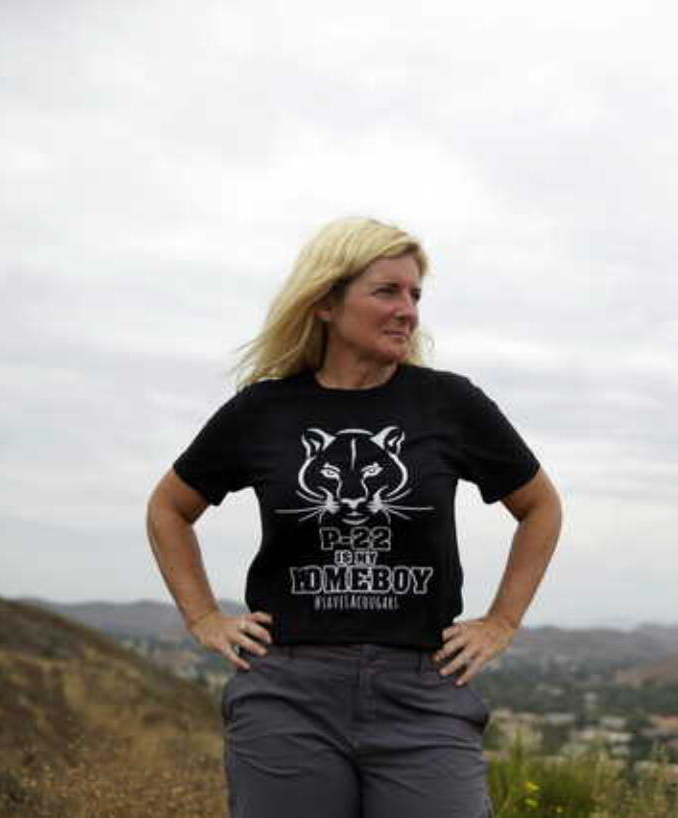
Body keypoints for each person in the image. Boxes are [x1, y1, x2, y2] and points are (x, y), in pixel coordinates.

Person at [145, 216, 562, 818]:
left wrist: (501, 622)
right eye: (387, 291)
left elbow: (540, 506)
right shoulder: (263, 410)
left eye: (415, 295)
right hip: (289, 694)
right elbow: (169, 508)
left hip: (423, 693)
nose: (408, 310)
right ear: (325, 303)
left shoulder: (447, 403)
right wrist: (203, 616)